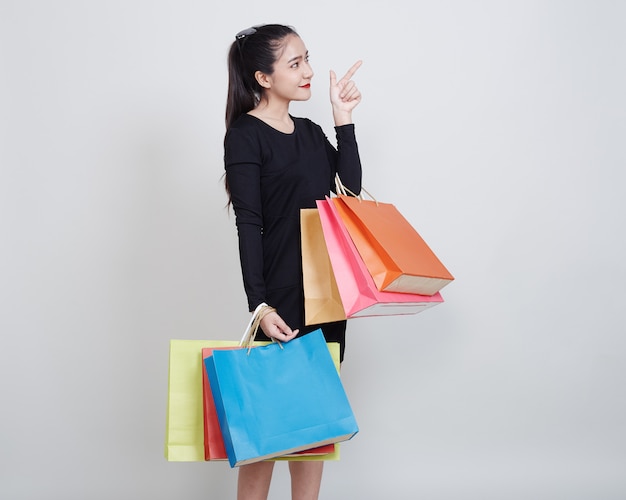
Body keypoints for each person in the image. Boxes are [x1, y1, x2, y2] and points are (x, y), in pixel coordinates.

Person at [223, 23, 363, 500]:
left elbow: (348, 195)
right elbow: (249, 224)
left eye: (307, 59)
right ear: (263, 77)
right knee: (265, 436)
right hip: (281, 298)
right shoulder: (245, 136)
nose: (307, 72)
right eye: (295, 63)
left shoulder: (309, 131)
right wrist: (258, 305)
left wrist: (343, 120)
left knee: (313, 434)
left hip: (328, 294)